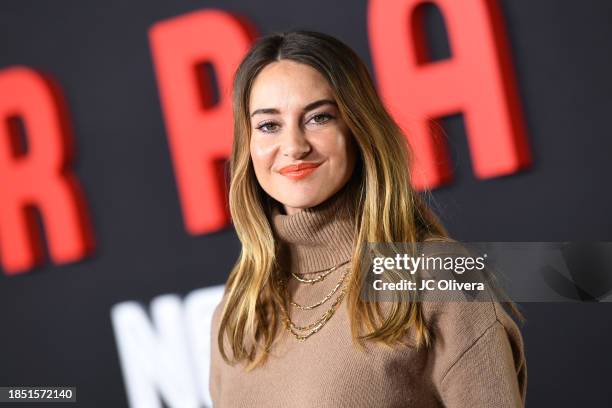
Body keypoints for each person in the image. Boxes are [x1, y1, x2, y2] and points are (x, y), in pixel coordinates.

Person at [209, 30, 527, 407]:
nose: (294, 146)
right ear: (247, 144)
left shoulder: (437, 275)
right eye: (268, 125)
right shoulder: (239, 308)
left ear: (357, 128)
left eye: (318, 118)